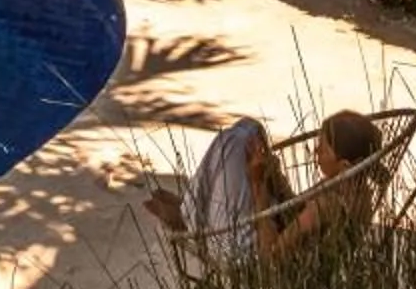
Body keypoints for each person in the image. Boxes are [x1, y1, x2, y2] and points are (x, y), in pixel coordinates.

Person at [145, 107, 383, 258]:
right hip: (268, 225)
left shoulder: (325, 205)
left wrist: (258, 185)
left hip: (246, 254)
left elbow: (270, 259)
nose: (316, 152)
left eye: (323, 149)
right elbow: (294, 210)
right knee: (250, 128)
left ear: (345, 166)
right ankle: (190, 209)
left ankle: (189, 217)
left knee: (232, 141)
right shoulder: (355, 190)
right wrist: (274, 175)